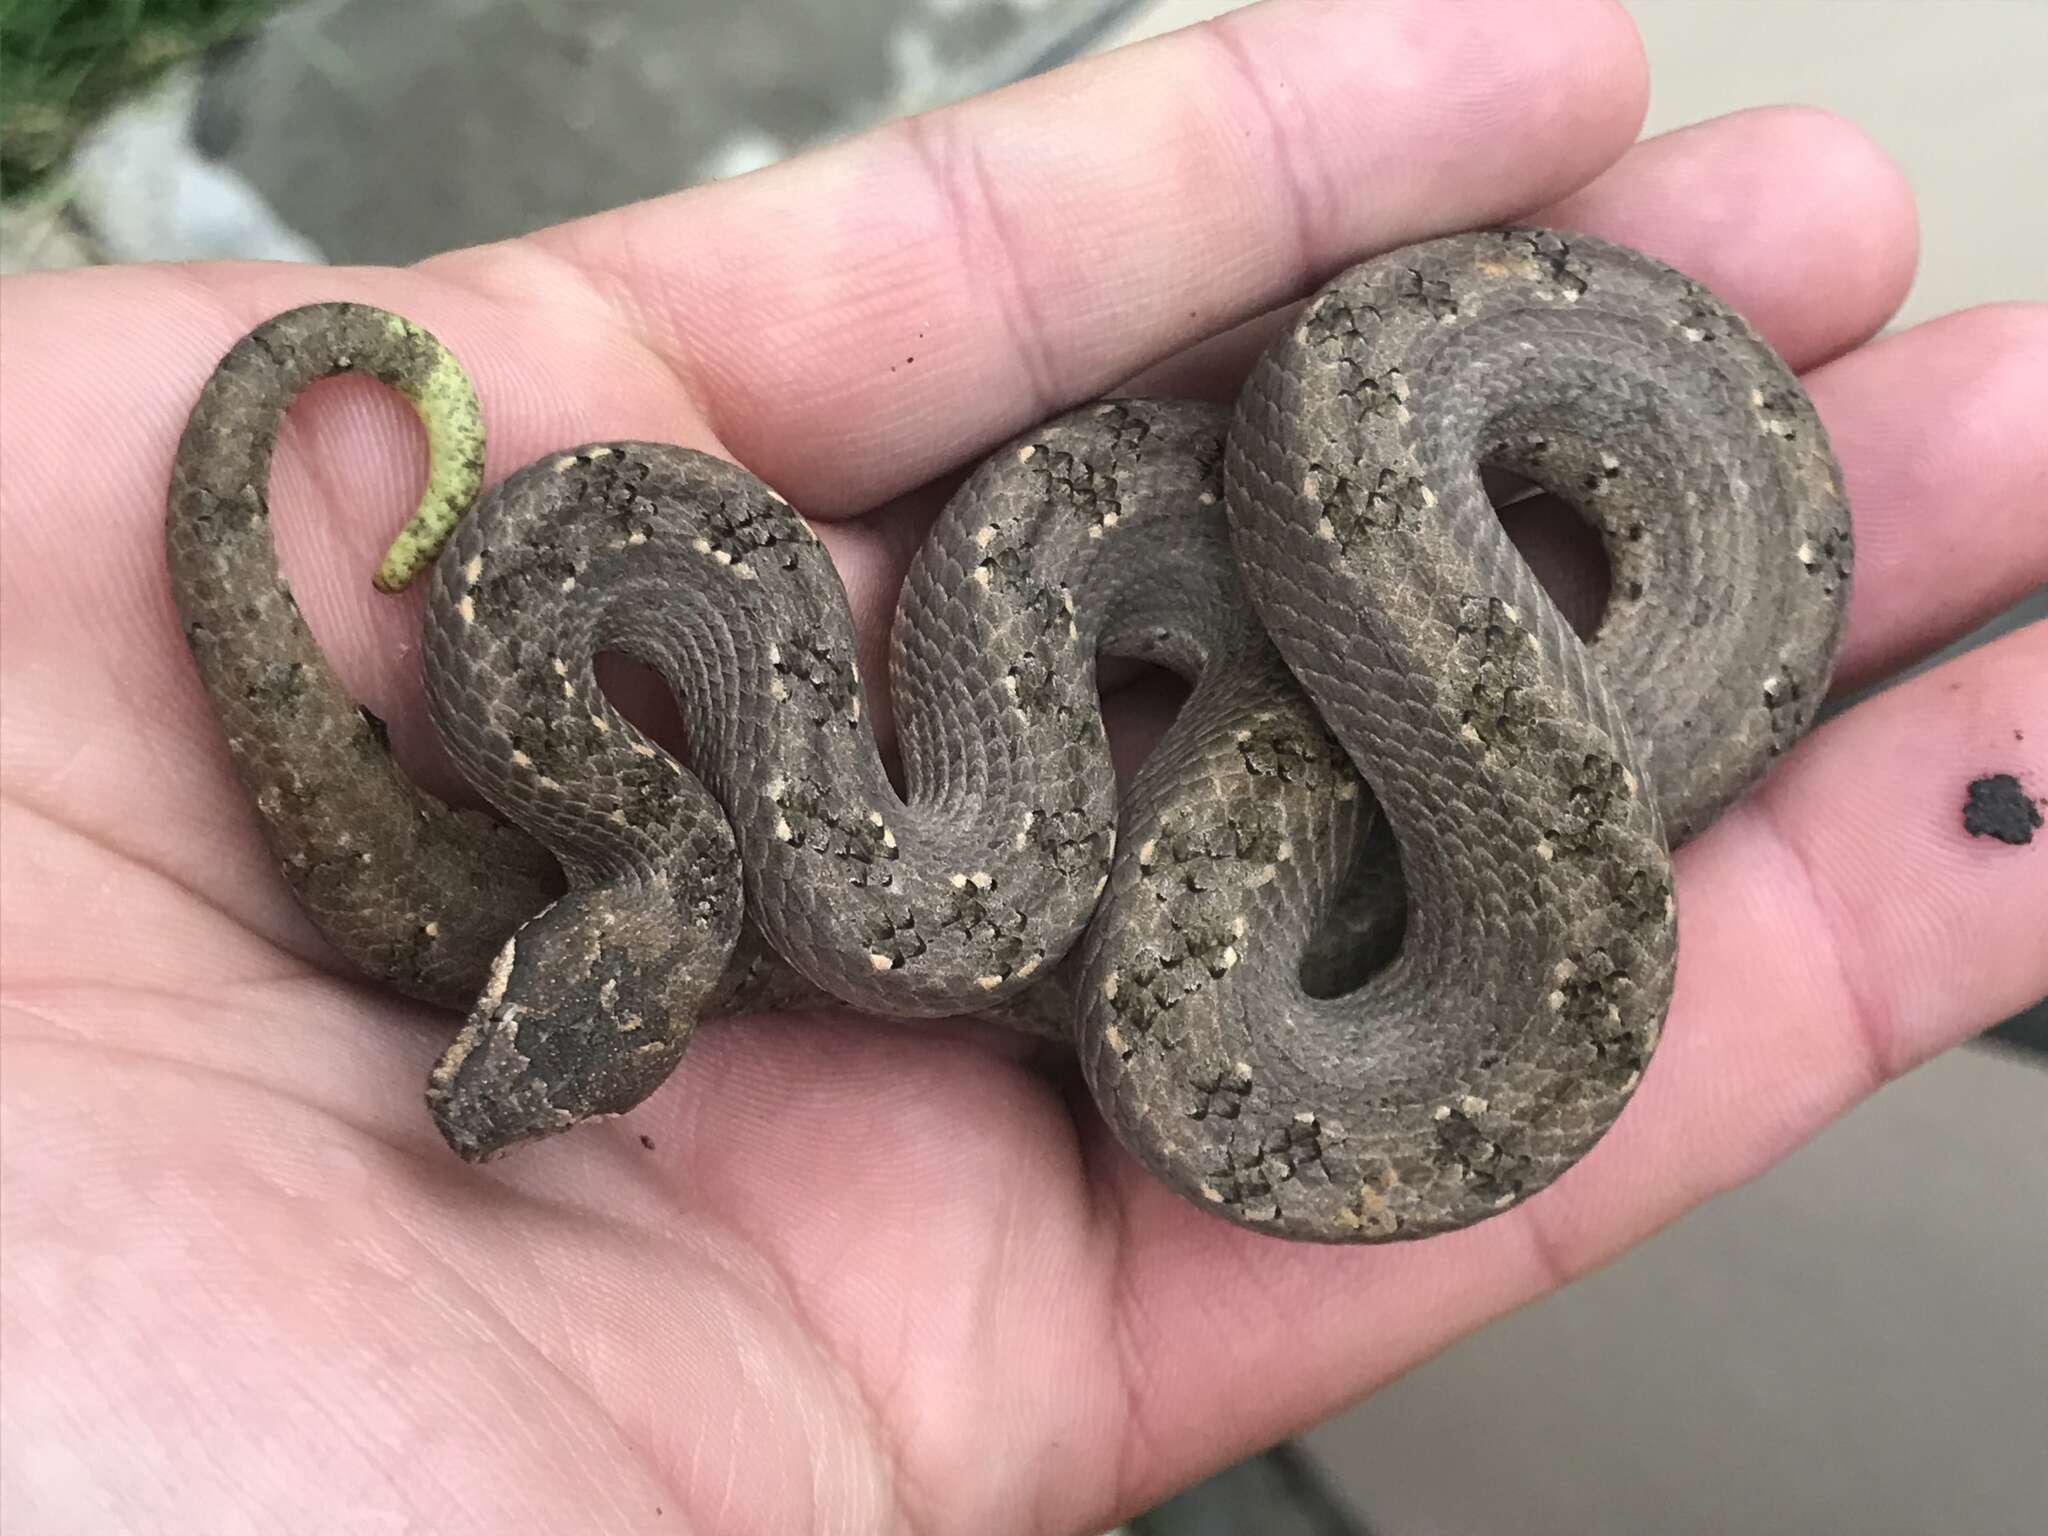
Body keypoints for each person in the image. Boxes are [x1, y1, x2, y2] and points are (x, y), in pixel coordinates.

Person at [2, 1, 2042, 1528]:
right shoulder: (666, 701)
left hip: (1390, 515)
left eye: (518, 1031)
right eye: (533, 1061)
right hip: (1172, 668)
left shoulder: (810, 793)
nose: (489, 1089)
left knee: (1359, 650)